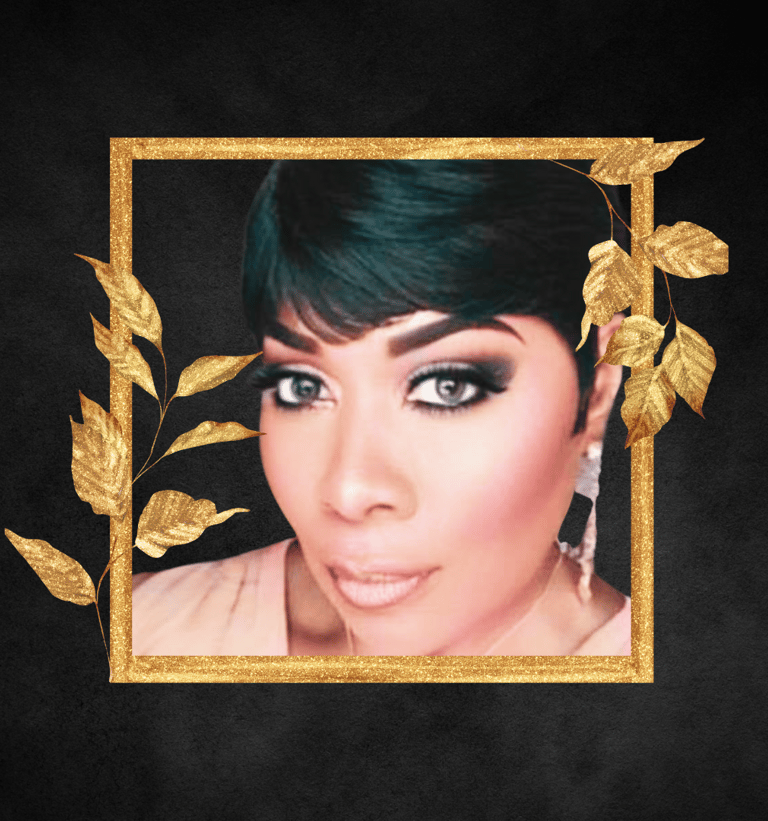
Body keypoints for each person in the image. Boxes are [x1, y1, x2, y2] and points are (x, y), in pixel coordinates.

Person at [132, 159, 631, 657]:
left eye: (447, 388)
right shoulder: (140, 629)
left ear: (598, 385)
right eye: (302, 387)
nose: (348, 493)